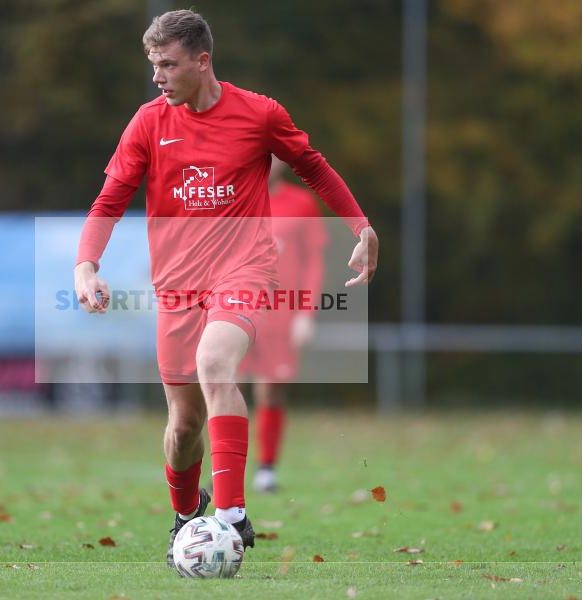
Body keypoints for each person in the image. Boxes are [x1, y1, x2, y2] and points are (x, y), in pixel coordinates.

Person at [72, 9, 378, 569]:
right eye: (153, 65)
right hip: (177, 287)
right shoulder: (147, 123)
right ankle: (189, 515)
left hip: (243, 271)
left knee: (217, 361)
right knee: (183, 427)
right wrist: (86, 265)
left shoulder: (259, 114)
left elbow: (312, 166)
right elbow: (110, 198)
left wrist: (361, 228)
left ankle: (233, 513)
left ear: (202, 60)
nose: (158, 77)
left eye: (168, 64)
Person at [239, 157, 328, 494]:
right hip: (237, 308)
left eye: (273, 153)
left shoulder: (301, 203)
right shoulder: (232, 196)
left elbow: (313, 260)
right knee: (227, 387)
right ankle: (226, 466)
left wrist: (306, 312)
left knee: (270, 389)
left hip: (281, 313)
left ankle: (266, 468)